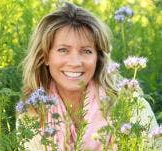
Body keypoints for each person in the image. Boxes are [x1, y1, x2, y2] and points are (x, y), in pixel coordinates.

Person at [18, 2, 160, 151]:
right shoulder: (31, 114)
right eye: (63, 50)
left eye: (86, 51)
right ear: (45, 56)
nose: (75, 62)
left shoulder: (132, 107)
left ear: (98, 57)